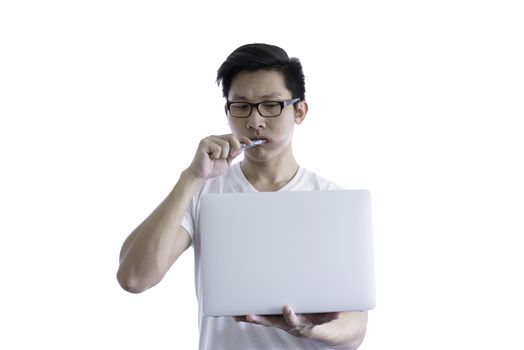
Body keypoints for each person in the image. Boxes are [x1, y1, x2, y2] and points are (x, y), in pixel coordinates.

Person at [117, 43, 368, 349]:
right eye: (241, 105)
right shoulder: (202, 192)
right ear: (227, 111)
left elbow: (355, 329)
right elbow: (134, 278)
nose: (255, 121)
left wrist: (307, 330)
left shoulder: (332, 202)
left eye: (271, 105)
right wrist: (191, 178)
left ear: (299, 111)